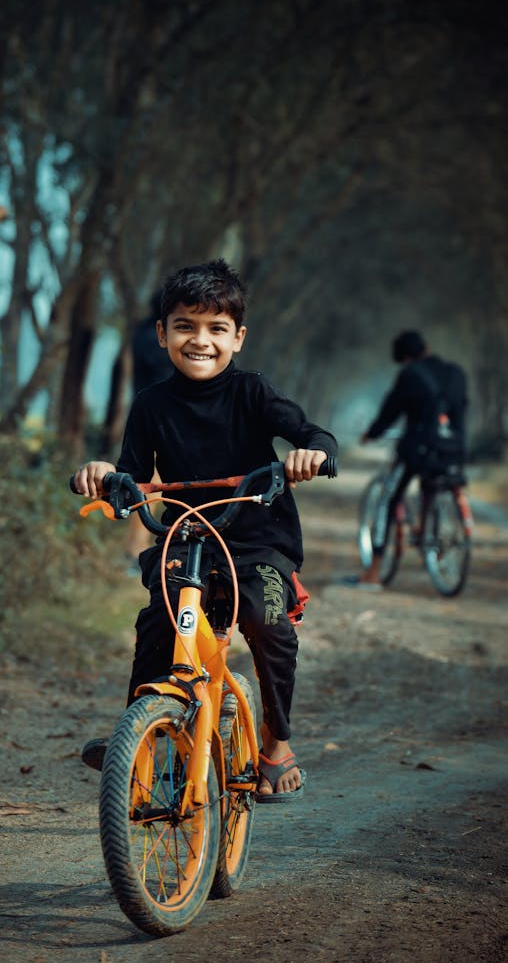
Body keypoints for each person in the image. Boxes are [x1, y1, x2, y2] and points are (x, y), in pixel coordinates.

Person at [72, 259, 338, 800]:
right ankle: (137, 735)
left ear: (237, 338)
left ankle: (277, 740)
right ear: (162, 334)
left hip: (259, 538)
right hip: (189, 538)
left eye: (216, 329)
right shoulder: (150, 405)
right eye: (186, 326)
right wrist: (103, 476)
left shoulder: (253, 393)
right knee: (157, 622)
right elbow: (130, 473)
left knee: (268, 623)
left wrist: (313, 454)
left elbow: (312, 431)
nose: (201, 340)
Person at [354, 329, 468, 588]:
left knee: (387, 500)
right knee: (433, 483)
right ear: (425, 348)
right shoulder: (455, 372)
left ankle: (374, 570)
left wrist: (371, 434)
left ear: (402, 357)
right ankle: (426, 530)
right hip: (453, 450)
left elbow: (390, 412)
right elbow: (461, 411)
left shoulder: (410, 375)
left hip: (418, 451)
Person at [124, 292, 174, 567]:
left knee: (144, 488)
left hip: (142, 415)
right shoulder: (158, 340)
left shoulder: (142, 334)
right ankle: (137, 552)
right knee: (149, 489)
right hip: (160, 420)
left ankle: (134, 549)